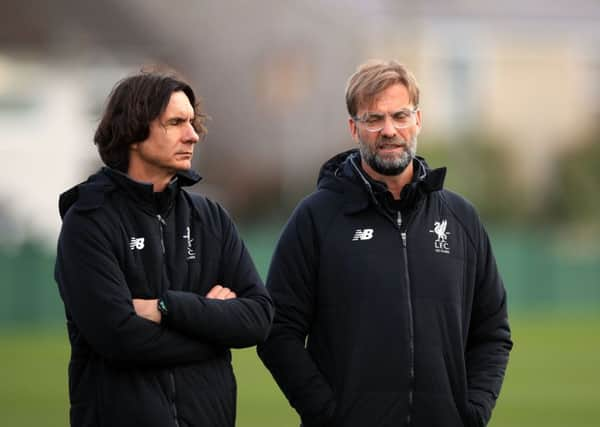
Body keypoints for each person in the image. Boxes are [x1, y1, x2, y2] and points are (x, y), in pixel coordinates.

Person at [257, 60, 512, 427]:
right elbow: (276, 329)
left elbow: (493, 332)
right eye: (373, 119)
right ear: (353, 128)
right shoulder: (317, 218)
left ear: (418, 121)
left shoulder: (461, 219)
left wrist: (471, 413)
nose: (389, 130)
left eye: (400, 116)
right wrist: (327, 413)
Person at [55, 70, 273, 427]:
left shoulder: (210, 217)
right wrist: (214, 334)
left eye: (192, 122)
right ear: (135, 132)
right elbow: (118, 338)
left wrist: (167, 307)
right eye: (175, 123)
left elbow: (258, 318)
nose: (193, 135)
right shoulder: (89, 221)